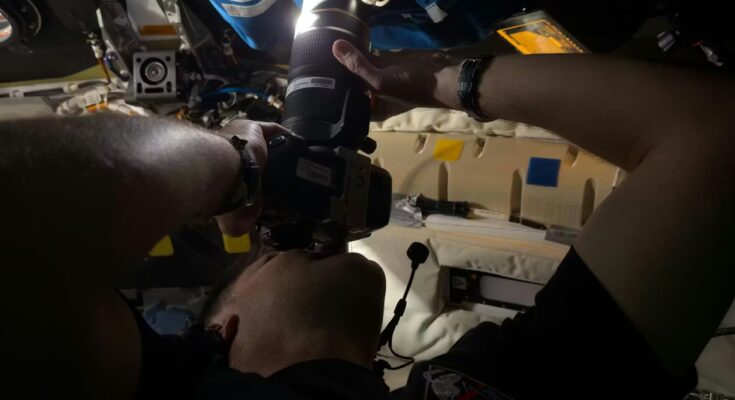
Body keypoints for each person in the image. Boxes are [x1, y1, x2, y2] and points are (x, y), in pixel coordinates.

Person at [1, 37, 733, 399]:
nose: (315, 239)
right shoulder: (492, 382)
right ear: (220, 335)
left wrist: (446, 79)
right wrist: (240, 164)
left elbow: (708, 135)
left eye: (272, 246)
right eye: (276, 246)